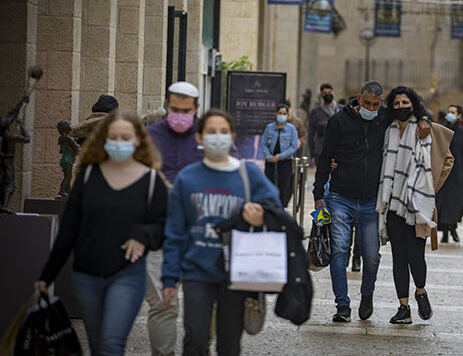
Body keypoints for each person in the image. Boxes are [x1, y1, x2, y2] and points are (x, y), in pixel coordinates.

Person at [35, 109, 168, 356]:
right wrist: (47, 275)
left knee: (111, 344)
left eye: (125, 138)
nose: (119, 143)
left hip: (127, 274)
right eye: (113, 137)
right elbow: (68, 231)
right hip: (86, 277)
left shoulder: (151, 181)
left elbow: (163, 224)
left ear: (137, 140)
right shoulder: (87, 177)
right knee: (97, 347)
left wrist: (143, 236)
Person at [161, 109, 281, 356]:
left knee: (229, 343)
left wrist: (259, 216)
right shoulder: (187, 178)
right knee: (194, 337)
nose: (218, 137)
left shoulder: (247, 175)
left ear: (232, 137)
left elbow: (275, 207)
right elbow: (175, 231)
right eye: (211, 132)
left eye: (223, 132)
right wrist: (169, 277)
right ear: (199, 138)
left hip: (236, 273)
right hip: (196, 271)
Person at [312, 81, 431, 323]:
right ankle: (342, 305)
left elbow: (413, 109)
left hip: (370, 201)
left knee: (372, 255)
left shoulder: (384, 117)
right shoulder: (339, 121)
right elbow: (325, 158)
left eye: (376, 104)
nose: (371, 108)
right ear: (359, 98)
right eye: (367, 103)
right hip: (339, 196)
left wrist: (425, 119)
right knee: (339, 251)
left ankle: (367, 296)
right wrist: (317, 195)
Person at [376, 86, 453, 324]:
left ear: (413, 105)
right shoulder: (386, 131)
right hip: (392, 204)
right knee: (399, 257)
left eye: (405, 103)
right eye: (396, 103)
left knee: (416, 256)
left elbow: (448, 160)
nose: (401, 107)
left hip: (417, 206)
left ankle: (421, 291)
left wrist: (428, 188)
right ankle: (403, 307)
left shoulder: (425, 129)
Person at [145, 81, 205, 356]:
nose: (179, 115)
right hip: (159, 234)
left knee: (203, 305)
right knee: (163, 304)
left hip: (200, 236)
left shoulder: (209, 137)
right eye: (174, 109)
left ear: (196, 108)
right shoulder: (149, 137)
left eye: (185, 110)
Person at [437, 105, 463, 243]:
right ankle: (445, 232)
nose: (450, 114)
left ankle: (453, 228)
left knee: (455, 203)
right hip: (442, 172)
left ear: (459, 115)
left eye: (453, 112)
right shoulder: (441, 130)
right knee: (442, 202)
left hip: (457, 172)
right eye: (449, 111)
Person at [260, 103, 299, 207]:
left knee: (284, 187)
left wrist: (280, 156)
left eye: (284, 113)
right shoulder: (269, 127)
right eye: (280, 113)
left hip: (285, 162)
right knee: (270, 185)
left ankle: (281, 209)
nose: (282, 115)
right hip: (271, 161)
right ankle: (270, 207)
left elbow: (294, 146)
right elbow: (263, 143)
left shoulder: (291, 129)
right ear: (275, 114)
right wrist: (269, 156)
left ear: (287, 115)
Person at [308, 83, 340, 165]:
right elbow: (311, 134)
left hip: (339, 150)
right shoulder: (315, 112)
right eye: (325, 93)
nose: (328, 95)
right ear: (321, 95)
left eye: (330, 92)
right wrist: (312, 154)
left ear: (334, 93)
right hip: (321, 151)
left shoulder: (342, 109)